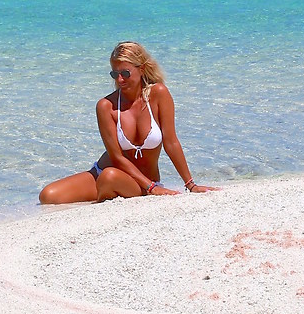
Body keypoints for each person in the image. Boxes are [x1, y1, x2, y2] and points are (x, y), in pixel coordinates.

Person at [39, 41, 217, 204]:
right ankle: (105, 191)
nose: (119, 80)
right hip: (105, 174)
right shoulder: (106, 106)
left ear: (142, 68)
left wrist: (190, 184)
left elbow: (171, 142)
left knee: (109, 177)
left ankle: (107, 192)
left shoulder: (158, 94)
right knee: (48, 196)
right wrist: (152, 189)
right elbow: (116, 157)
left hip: (138, 181)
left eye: (125, 73)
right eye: (114, 74)